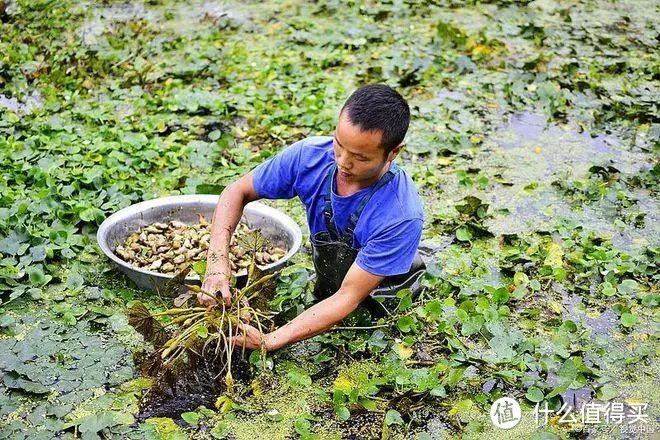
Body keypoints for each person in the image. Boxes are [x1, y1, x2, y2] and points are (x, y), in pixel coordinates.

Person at [198, 84, 425, 351]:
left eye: (360, 158)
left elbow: (348, 296)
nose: (343, 162)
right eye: (339, 145)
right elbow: (236, 191)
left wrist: (271, 340)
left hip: (381, 309)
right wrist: (216, 263)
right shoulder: (310, 158)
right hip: (331, 291)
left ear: (394, 152)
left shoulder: (400, 215)